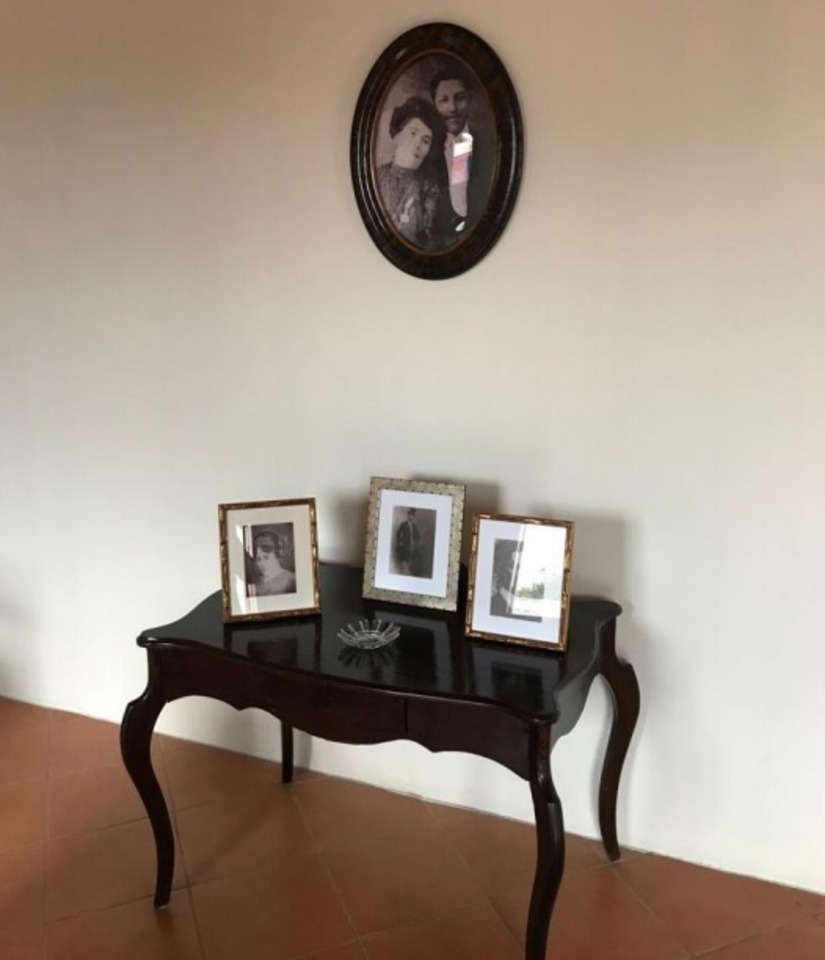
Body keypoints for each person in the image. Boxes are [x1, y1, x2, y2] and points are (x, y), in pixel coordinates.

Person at [428, 65, 493, 240]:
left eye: (460, 98)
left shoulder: (489, 147)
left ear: (470, 100)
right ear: (434, 105)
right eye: (443, 100)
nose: (452, 108)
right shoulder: (427, 150)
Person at [376, 96, 444, 247]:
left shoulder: (429, 188)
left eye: (425, 140)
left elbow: (429, 240)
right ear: (397, 136)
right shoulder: (377, 177)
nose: (417, 144)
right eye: (413, 133)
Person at [248, 531, 296, 597]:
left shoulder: (291, 580)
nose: (262, 563)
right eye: (258, 559)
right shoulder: (256, 582)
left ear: (277, 555)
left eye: (266, 557)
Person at [394, 508, 422, 576]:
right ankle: (404, 570)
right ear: (407, 515)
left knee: (414, 555)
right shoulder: (403, 524)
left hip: (412, 545)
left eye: (412, 515)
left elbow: (418, 536)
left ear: (413, 517)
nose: (410, 516)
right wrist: (400, 541)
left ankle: (409, 570)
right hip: (405, 544)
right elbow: (398, 534)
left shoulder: (414, 526)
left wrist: (416, 542)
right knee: (403, 555)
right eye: (409, 515)